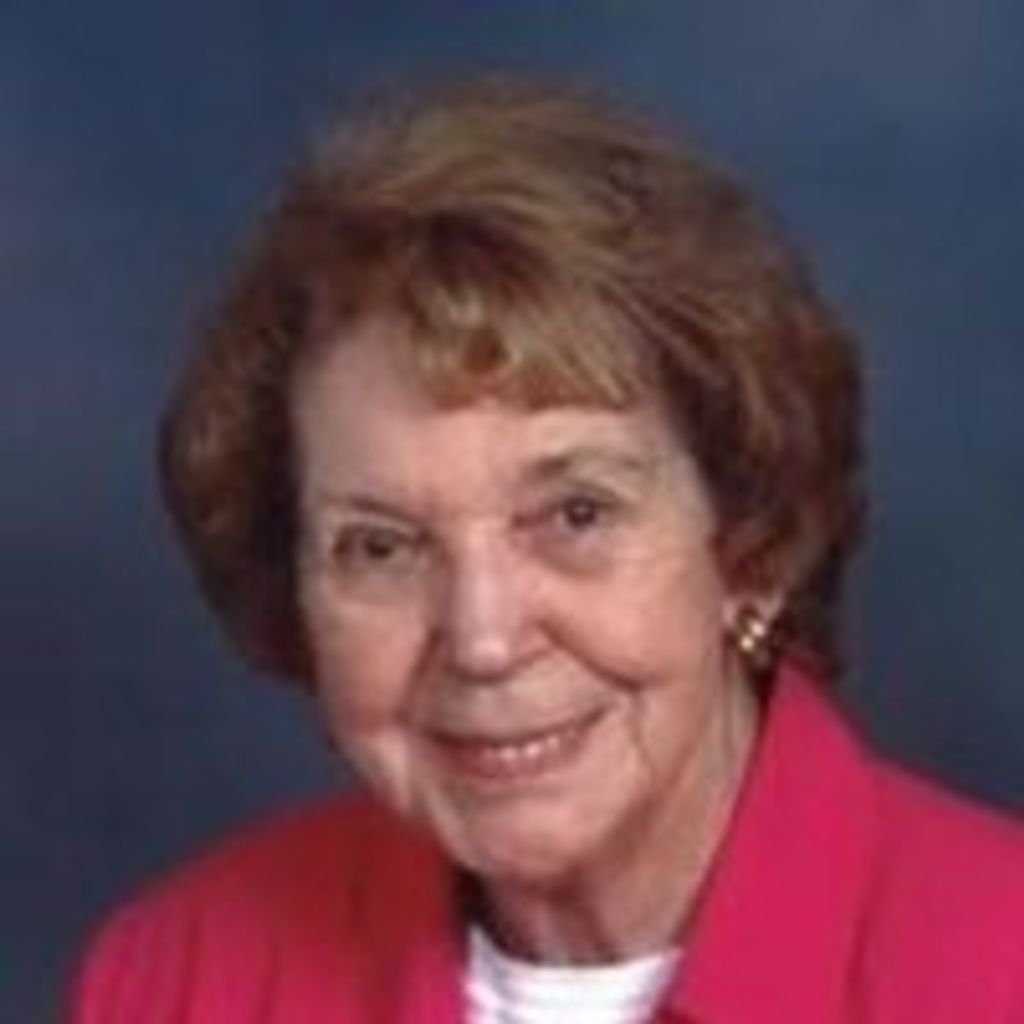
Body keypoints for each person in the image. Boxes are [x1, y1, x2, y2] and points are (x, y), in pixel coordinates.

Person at [67, 77, 1023, 1023]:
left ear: (750, 549)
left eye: (575, 515)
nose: (483, 639)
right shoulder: (179, 977)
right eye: (382, 548)